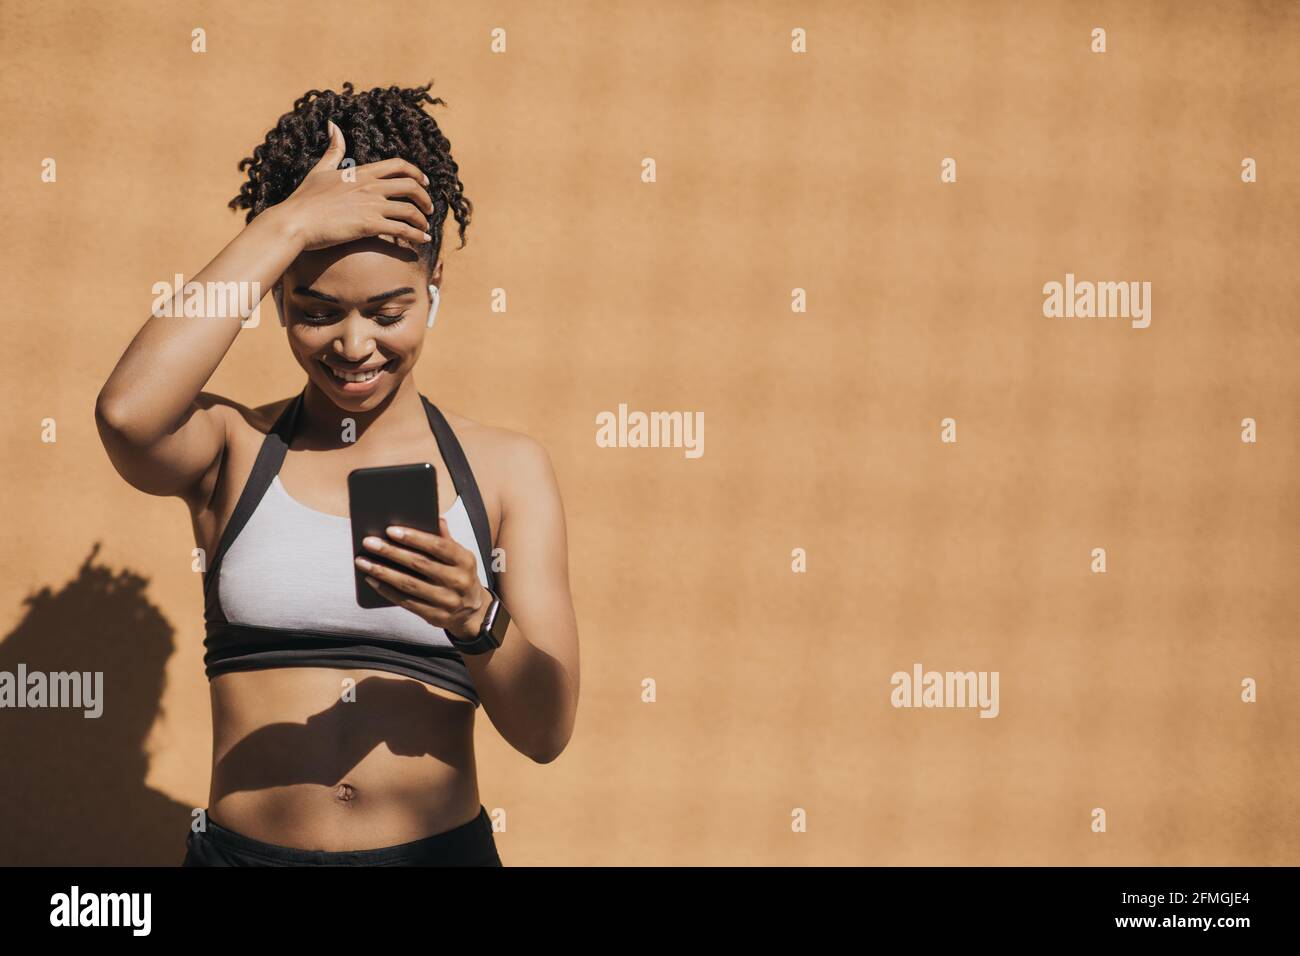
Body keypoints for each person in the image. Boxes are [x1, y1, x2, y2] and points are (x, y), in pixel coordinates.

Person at [95, 82, 580, 866]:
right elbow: (126, 413)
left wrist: (476, 616)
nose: (354, 346)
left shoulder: (507, 471)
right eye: (317, 310)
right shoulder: (233, 447)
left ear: (435, 288)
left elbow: (547, 729)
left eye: (388, 312)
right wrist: (287, 224)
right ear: (278, 299)